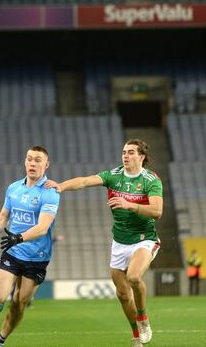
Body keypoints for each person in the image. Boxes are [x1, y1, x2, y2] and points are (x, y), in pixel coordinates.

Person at [48, 139, 163, 347]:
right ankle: (137, 333)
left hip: (144, 238)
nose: (125, 156)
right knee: (122, 294)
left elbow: (157, 211)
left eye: (130, 153)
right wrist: (61, 186)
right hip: (120, 241)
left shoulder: (151, 180)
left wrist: (129, 205)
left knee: (134, 277)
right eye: (123, 152)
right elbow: (84, 181)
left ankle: (143, 319)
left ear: (141, 157)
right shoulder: (114, 175)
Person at [0, 146, 60, 347]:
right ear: (25, 162)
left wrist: (19, 237)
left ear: (46, 164)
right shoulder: (14, 188)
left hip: (37, 256)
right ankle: (2, 295)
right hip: (14, 252)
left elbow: (43, 227)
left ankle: (0, 340)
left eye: (37, 160)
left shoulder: (50, 192)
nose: (32, 163)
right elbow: (2, 218)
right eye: (29, 159)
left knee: (19, 303)